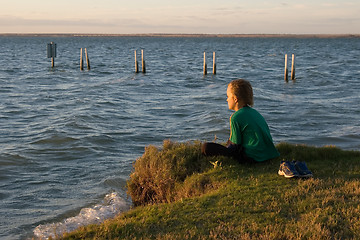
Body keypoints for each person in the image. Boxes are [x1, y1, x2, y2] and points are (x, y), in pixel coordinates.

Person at [201, 79, 279, 163]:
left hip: (253, 157)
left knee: (206, 147)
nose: (227, 100)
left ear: (235, 99)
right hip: (269, 155)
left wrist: (225, 148)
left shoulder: (236, 117)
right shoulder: (254, 112)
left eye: (228, 97)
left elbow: (235, 145)